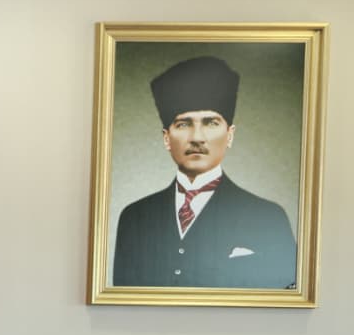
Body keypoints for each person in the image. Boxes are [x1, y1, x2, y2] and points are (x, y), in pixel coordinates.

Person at [112, 55, 297, 289]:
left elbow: (285, 297)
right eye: (183, 124)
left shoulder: (268, 218)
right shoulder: (135, 217)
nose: (197, 137)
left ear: (229, 135)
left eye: (211, 123)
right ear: (166, 138)